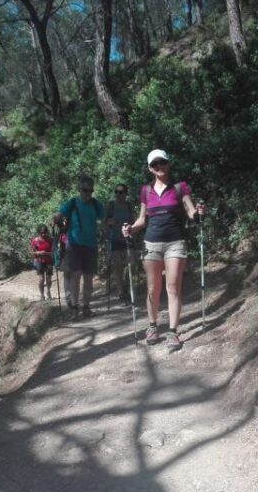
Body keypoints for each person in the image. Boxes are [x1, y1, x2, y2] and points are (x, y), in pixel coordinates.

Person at [122, 149, 206, 352]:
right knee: (152, 289)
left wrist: (199, 214)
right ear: (150, 168)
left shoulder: (180, 187)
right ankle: (152, 327)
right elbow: (142, 219)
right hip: (151, 244)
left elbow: (190, 211)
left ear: (168, 164)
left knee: (173, 287)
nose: (159, 166)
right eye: (155, 164)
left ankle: (173, 331)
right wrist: (131, 229)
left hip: (175, 243)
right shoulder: (146, 191)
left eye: (162, 162)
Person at [54, 176, 105, 317]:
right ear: (79, 189)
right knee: (76, 276)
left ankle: (86, 307)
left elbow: (104, 219)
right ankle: (75, 307)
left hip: (91, 245)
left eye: (90, 190)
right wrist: (56, 217)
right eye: (85, 190)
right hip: (74, 244)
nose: (88, 193)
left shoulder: (96, 204)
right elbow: (60, 213)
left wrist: (108, 231)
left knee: (88, 278)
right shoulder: (72, 203)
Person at [105, 183, 134, 306]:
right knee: (117, 267)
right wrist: (107, 225)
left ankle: (127, 286)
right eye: (116, 191)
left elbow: (133, 220)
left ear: (125, 194)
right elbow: (104, 221)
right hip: (114, 239)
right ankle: (121, 293)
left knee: (131, 263)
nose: (118, 194)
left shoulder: (128, 205)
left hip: (127, 238)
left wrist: (133, 232)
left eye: (121, 192)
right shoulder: (111, 205)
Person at [30, 224, 54, 300]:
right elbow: (33, 253)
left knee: (49, 279)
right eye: (41, 233)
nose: (43, 234)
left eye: (44, 232)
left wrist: (45, 253)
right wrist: (38, 253)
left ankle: (48, 291)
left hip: (49, 261)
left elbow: (53, 252)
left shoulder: (50, 240)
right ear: (38, 232)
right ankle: (42, 295)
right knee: (41, 279)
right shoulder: (35, 241)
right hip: (39, 261)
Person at [53, 217, 73, 307]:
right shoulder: (59, 233)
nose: (65, 223)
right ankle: (69, 298)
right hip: (65, 256)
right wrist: (56, 261)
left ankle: (72, 297)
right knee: (68, 276)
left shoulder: (73, 230)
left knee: (73, 277)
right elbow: (54, 248)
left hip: (75, 256)